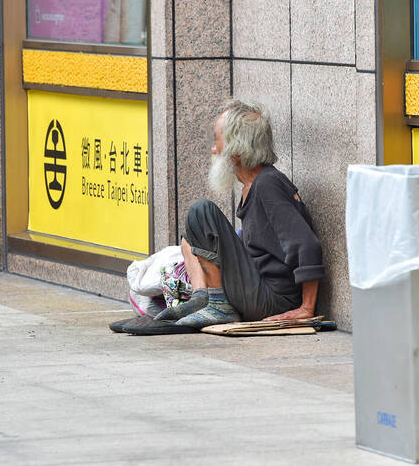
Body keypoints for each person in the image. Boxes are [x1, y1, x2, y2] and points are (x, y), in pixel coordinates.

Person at [116, 99, 324, 332]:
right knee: (190, 238)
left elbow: (307, 245)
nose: (214, 149)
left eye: (218, 140)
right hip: (257, 289)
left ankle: (217, 304)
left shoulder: (268, 184)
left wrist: (306, 308)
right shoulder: (253, 186)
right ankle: (203, 298)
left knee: (202, 211)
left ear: (237, 150)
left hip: (272, 299)